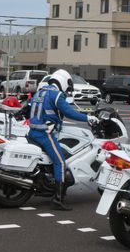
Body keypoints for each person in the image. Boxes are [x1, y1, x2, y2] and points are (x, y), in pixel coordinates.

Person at [28, 69, 99, 210]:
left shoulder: (40, 92)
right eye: (67, 87)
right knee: (60, 162)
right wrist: (87, 118)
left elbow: (29, 107)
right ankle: (58, 199)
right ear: (63, 82)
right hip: (44, 134)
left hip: (32, 132)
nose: (66, 91)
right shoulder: (56, 94)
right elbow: (68, 112)